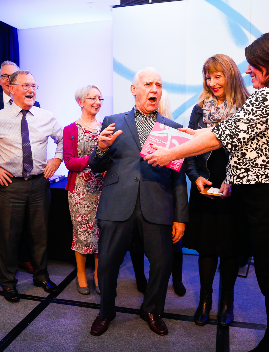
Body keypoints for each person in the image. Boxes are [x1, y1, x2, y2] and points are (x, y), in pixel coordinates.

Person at [144, 32, 269, 352]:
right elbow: (244, 142)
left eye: (254, 65)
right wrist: (199, 141)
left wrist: (169, 154)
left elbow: (221, 138)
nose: (249, 70)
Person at [88, 68, 189, 336]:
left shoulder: (172, 128)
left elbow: (178, 178)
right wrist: (100, 148)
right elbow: (96, 167)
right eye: (148, 84)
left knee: (162, 263)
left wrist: (180, 216)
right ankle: (106, 312)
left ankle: (152, 309)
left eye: (158, 84)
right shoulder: (113, 121)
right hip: (116, 204)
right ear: (134, 90)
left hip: (157, 206)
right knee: (108, 263)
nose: (154, 89)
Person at [0, 70, 63, 302]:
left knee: (40, 236)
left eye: (34, 85)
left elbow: (64, 141)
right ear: (12, 89)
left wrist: (57, 158)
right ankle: (8, 282)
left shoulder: (46, 116)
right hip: (11, 187)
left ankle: (41, 276)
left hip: (40, 185)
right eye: (26, 85)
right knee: (9, 237)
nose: (31, 90)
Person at [181, 54, 250, 328]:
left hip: (235, 189)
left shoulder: (246, 107)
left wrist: (234, 180)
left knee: (231, 249)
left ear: (230, 75)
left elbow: (249, 153)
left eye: (217, 76)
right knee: (207, 248)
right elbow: (188, 148)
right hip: (205, 189)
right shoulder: (200, 109)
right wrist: (195, 177)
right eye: (208, 77)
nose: (211, 82)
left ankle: (226, 302)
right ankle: (205, 301)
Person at [0, 60, 39, 274]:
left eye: (13, 76)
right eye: (5, 76)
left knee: (24, 219)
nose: (9, 80)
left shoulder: (34, 104)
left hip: (25, 175)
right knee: (3, 219)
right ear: (0, 80)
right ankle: (5, 256)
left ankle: (22, 257)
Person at [130, 89, 186, 297]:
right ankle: (140, 278)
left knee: (173, 244)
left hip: (164, 198)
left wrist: (180, 217)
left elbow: (178, 178)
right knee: (136, 243)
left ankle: (177, 279)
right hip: (138, 197)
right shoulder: (131, 128)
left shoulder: (173, 133)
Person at [63, 85, 104, 295]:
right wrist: (94, 159)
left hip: (104, 190)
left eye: (99, 98)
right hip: (79, 191)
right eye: (92, 98)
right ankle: (80, 273)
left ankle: (98, 275)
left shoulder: (106, 127)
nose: (97, 102)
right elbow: (69, 163)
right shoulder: (70, 130)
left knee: (101, 235)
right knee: (81, 234)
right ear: (81, 102)